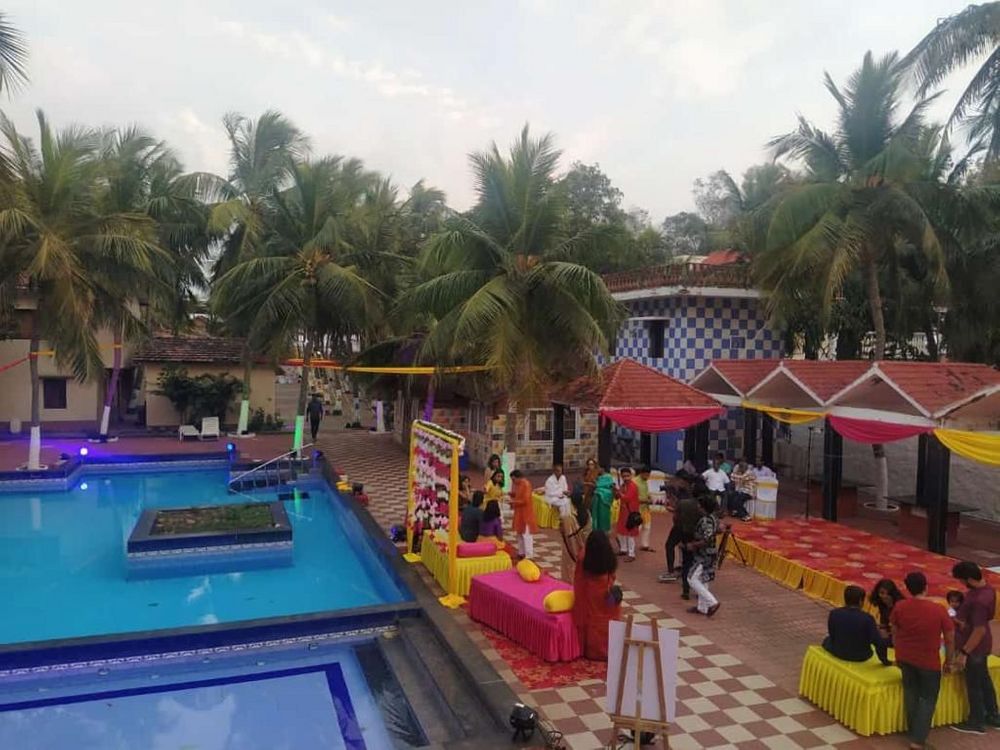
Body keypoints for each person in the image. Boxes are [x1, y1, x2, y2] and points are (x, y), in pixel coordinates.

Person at [890, 571, 955, 750]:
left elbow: (894, 631)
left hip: (905, 657)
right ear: (926, 587)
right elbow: (949, 638)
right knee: (927, 699)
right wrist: (949, 661)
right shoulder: (938, 610)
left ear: (907, 588)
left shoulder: (900, 606)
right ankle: (918, 741)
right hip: (928, 661)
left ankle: (913, 731)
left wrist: (898, 651)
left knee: (910, 693)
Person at [950, 561, 1000, 734]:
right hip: (982, 643)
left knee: (974, 684)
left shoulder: (979, 601)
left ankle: (976, 721)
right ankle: (993, 715)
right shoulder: (986, 590)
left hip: (974, 646)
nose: (961, 584)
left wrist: (964, 652)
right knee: (984, 680)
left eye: (962, 580)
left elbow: (978, 630)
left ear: (970, 579)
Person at [572, 530, 622, 661]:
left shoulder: (584, 558)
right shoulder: (609, 557)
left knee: (592, 620)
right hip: (607, 595)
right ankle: (611, 648)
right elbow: (613, 575)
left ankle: (593, 650)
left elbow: (578, 580)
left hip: (590, 594)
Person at [823, 585, 890, 665]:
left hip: (837, 652)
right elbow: (877, 642)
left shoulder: (834, 613)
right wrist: (885, 660)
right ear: (860, 601)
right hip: (860, 656)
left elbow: (832, 634)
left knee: (827, 640)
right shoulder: (868, 618)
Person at [659, 490, 700, 602]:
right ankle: (697, 588)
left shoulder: (683, 502)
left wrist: (673, 511)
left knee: (670, 546)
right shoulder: (700, 504)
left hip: (680, 529)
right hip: (694, 533)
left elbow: (677, 516)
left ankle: (671, 571)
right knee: (691, 558)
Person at [686, 495, 721, 617]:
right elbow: (719, 530)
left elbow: (706, 539)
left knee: (691, 578)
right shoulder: (714, 518)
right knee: (704, 578)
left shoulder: (706, 521)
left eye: (699, 505)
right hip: (710, 553)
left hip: (703, 554)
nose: (697, 507)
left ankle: (712, 602)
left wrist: (693, 545)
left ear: (703, 507)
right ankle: (702, 608)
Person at [560, 488, 592, 582]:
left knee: (569, 566)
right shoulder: (587, 514)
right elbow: (588, 530)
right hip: (584, 544)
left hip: (571, 546)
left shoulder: (569, 517)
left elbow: (565, 532)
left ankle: (569, 584)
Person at [508, 469, 537, 560]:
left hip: (526, 514)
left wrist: (513, 502)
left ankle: (529, 555)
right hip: (519, 513)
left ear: (518, 477)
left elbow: (525, 500)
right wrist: (511, 494)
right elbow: (518, 494)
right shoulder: (519, 484)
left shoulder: (526, 484)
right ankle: (521, 552)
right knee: (519, 534)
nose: (513, 482)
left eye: (513, 480)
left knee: (526, 535)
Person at [615, 467, 641, 562]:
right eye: (624, 476)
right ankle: (623, 549)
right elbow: (618, 497)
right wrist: (616, 492)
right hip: (623, 512)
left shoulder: (633, 486)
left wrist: (619, 493)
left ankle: (631, 553)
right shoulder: (623, 485)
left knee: (630, 534)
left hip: (631, 512)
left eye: (627, 476)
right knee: (621, 532)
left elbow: (627, 498)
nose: (625, 478)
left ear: (631, 476)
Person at [870, 578, 905, 644]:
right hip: (889, 632)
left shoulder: (900, 604)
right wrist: (882, 628)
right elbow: (884, 620)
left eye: (888, 594)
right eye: (882, 593)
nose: (884, 596)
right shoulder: (881, 602)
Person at [728, 457, 755, 522]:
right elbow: (733, 478)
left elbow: (740, 478)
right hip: (741, 490)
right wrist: (734, 475)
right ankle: (734, 511)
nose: (739, 469)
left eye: (740, 468)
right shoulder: (741, 472)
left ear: (745, 468)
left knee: (738, 500)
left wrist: (732, 474)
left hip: (749, 492)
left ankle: (745, 515)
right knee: (730, 496)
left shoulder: (749, 473)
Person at [635, 466, 655, 551]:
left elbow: (646, 492)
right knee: (636, 528)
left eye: (648, 475)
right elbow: (634, 497)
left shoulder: (645, 482)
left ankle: (645, 545)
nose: (647, 477)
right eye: (646, 475)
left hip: (645, 509)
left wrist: (649, 497)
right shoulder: (635, 482)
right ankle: (630, 545)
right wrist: (645, 500)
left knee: (647, 527)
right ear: (641, 473)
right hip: (637, 508)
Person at [591, 466, 615, 533]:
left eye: (598, 468)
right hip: (597, 499)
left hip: (604, 499)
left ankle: (605, 531)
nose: (597, 470)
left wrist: (597, 486)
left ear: (603, 468)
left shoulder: (608, 477)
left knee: (603, 515)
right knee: (597, 515)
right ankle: (596, 530)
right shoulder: (598, 477)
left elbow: (601, 486)